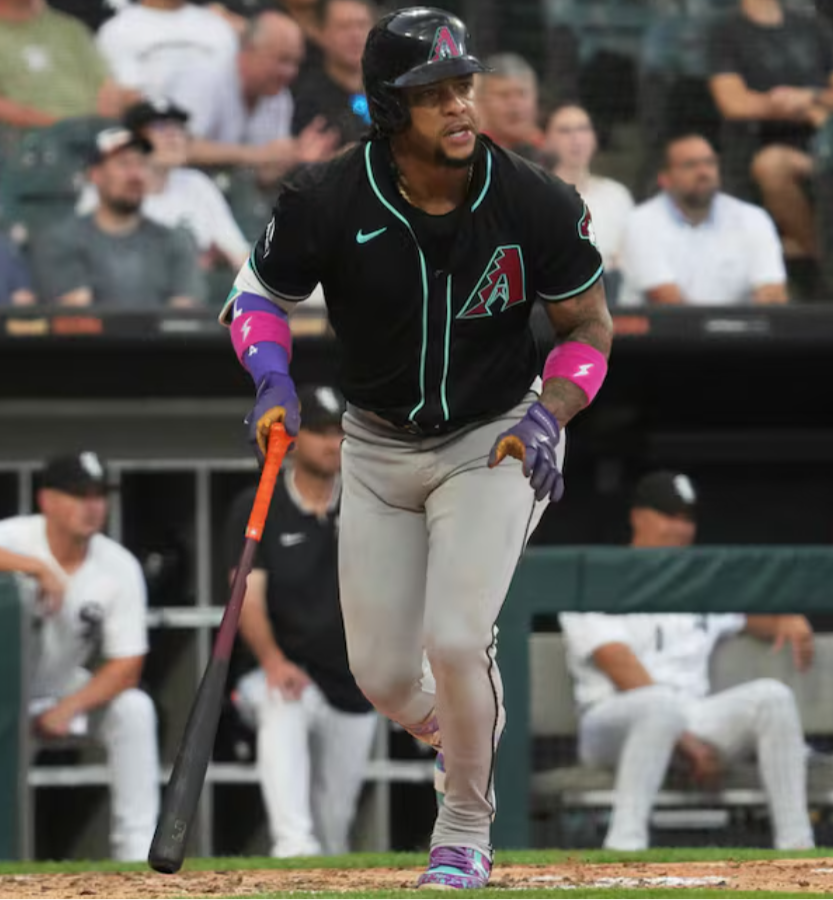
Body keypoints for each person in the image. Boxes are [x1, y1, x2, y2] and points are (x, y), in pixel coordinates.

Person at [220, 7, 613, 888]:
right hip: (375, 446)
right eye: (433, 95)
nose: (459, 107)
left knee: (454, 636)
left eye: (462, 87)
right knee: (386, 681)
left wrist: (551, 411)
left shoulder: (531, 197)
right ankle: (462, 730)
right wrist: (272, 382)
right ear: (389, 108)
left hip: (494, 441)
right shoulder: (326, 196)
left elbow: (588, 323)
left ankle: (463, 827)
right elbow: (256, 298)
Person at [559, 470, 816, 852]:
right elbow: (620, 665)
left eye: (687, 518)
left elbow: (746, 617)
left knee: (772, 697)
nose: (679, 528)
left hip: (691, 717)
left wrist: (786, 619)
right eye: (668, 515)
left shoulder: (697, 584)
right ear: (638, 517)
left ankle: (797, 847)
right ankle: (624, 846)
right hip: (611, 724)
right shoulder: (597, 577)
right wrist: (689, 743)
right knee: (658, 703)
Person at [228, 385, 376, 858]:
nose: (333, 444)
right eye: (320, 432)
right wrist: (272, 661)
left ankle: (316, 863)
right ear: (292, 438)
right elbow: (246, 597)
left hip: (354, 682)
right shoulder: (260, 503)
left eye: (341, 432)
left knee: (334, 825)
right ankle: (291, 847)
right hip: (281, 672)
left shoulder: (367, 503)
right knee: (283, 701)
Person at [0, 451, 159, 861]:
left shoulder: (118, 565)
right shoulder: (17, 537)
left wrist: (68, 708)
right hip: (4, 690)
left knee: (134, 708)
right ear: (47, 500)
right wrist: (34, 568)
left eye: (98, 495)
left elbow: (126, 664)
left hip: (58, 687)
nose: (92, 506)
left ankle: (138, 853)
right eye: (78, 495)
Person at [708, 0, 833, 264]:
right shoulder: (725, 31)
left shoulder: (812, 25)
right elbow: (733, 103)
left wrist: (807, 96)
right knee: (772, 165)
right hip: (761, 143)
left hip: (823, 143)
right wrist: (801, 108)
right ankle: (822, 259)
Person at [32, 126, 205, 309]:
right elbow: (78, 319)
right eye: (123, 164)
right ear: (95, 175)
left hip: (162, 339)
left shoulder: (175, 241)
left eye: (142, 164)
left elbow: (183, 319)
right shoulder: (62, 240)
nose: (135, 175)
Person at [78, 99, 250, 271]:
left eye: (178, 127)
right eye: (159, 127)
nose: (172, 135)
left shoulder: (197, 184)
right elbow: (85, 256)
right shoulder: (108, 187)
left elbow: (238, 252)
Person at [618, 134, 788, 307]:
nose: (703, 172)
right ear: (665, 179)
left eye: (710, 163)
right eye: (690, 165)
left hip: (742, 331)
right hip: (665, 332)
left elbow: (772, 295)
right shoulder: (641, 222)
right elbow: (667, 302)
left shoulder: (753, 218)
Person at [168, 10, 337, 180]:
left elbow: (264, 179)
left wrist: (296, 159)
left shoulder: (279, 96)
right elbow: (178, 148)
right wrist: (256, 155)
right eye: (283, 60)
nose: (290, 72)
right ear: (250, 49)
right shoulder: (206, 75)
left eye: (295, 63)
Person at [545, 103, 633, 299]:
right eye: (564, 131)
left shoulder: (618, 194)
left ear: (594, 138)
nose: (576, 139)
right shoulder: (533, 195)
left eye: (583, 129)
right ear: (548, 141)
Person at [0, 0, 133, 129]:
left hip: (96, 135)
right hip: (30, 142)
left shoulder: (70, 28)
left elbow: (106, 86)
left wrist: (98, 129)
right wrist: (63, 128)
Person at [96, 0, 239, 102]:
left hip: (219, 137)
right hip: (153, 131)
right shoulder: (116, 31)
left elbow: (233, 92)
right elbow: (128, 95)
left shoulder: (218, 27)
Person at [291, 0, 376, 148]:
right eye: (344, 27)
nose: (355, 35)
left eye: (362, 25)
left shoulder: (390, 89)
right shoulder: (305, 99)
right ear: (320, 33)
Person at [475, 53, 545, 162]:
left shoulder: (553, 151)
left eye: (522, 94)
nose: (515, 104)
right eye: (504, 95)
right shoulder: (472, 156)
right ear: (482, 101)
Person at [0, 234, 36, 306]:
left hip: (16, 312)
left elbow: (23, 290)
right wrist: (8, 299)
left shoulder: (5, 243)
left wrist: (24, 292)